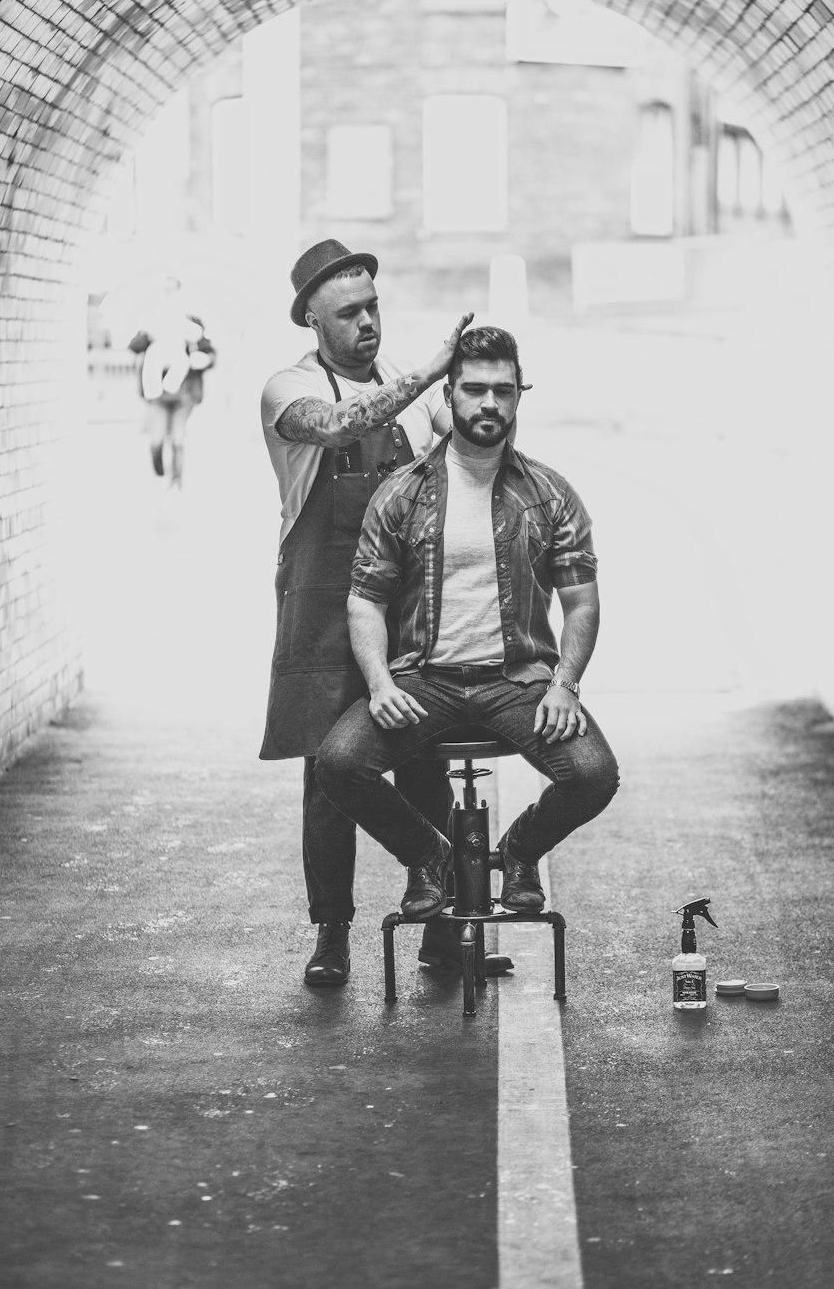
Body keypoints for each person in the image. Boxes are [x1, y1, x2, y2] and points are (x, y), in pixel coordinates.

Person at [259, 239, 512, 988]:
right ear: (311, 317)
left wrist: (487, 400)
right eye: (349, 312)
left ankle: (440, 931)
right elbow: (342, 424)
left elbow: (470, 459)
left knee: (422, 758)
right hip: (318, 603)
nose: (368, 321)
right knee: (329, 773)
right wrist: (430, 372)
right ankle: (331, 934)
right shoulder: (287, 387)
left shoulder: (420, 396)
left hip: (402, 605)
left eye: (373, 306)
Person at [315, 325, 620, 924]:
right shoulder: (403, 493)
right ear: (450, 394)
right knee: (339, 763)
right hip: (425, 680)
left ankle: (519, 856)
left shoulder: (551, 494)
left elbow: (581, 602)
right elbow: (365, 601)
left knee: (593, 774)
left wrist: (565, 684)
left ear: (518, 396)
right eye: (474, 389)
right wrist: (380, 684)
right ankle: (434, 859)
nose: (488, 404)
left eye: (502, 391)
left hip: (519, 681)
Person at [128, 276, 216, 490]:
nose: (168, 295)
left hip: (184, 393)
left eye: (172, 290)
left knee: (178, 439)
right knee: (156, 440)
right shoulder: (152, 319)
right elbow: (135, 346)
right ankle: (160, 470)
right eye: (164, 291)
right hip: (157, 393)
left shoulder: (193, 322)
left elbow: (210, 353)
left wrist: (203, 360)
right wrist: (148, 335)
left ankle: (176, 481)